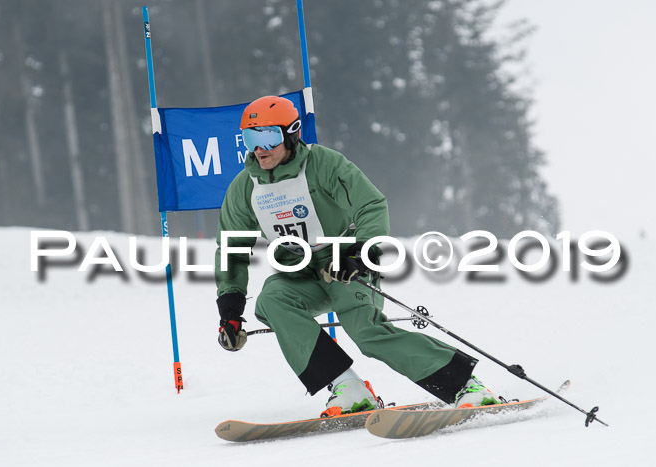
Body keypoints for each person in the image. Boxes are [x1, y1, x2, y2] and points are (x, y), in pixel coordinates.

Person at [214, 95, 500, 416]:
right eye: (251, 138)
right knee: (272, 299)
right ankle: (347, 388)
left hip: (344, 264)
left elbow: (370, 205)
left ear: (291, 133)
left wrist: (360, 252)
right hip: (300, 273)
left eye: (268, 136)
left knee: (366, 332)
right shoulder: (244, 187)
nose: (259, 148)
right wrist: (231, 310)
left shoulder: (322, 164)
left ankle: (466, 385)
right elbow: (231, 248)